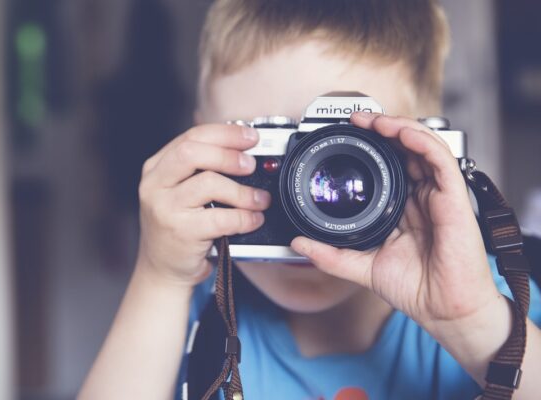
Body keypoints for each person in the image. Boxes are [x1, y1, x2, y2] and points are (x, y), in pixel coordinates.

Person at [78, 1, 541, 399]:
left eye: (349, 158)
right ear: (202, 148)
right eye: (275, 156)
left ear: (421, 151)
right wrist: (159, 277)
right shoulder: (194, 311)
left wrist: (475, 326)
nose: (308, 206)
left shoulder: (486, 301)